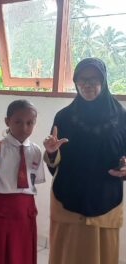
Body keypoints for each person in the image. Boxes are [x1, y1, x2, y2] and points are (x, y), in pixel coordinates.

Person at [44, 58, 126, 264]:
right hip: (68, 198)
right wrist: (52, 153)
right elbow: (54, 161)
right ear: (76, 82)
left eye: (94, 79)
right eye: (82, 79)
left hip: (106, 200)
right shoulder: (63, 117)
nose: (87, 84)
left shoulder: (121, 117)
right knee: (67, 255)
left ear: (104, 81)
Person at [0, 100, 45, 264]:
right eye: (18, 122)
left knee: (23, 253)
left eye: (29, 123)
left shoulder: (36, 151)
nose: (24, 127)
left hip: (26, 210)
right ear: (7, 121)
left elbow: (34, 181)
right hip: (2, 208)